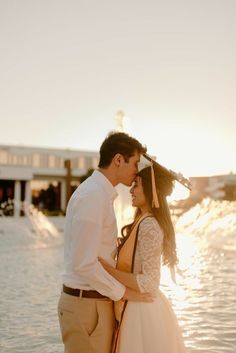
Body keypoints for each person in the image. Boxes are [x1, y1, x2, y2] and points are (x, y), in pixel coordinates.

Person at [57, 131, 154, 353]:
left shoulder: (99, 194)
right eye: (135, 163)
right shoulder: (92, 197)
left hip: (93, 304)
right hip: (86, 307)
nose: (136, 170)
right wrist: (125, 293)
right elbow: (84, 264)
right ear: (118, 159)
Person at [99, 162, 187, 353]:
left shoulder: (149, 225)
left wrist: (108, 271)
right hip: (135, 304)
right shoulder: (141, 221)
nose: (131, 190)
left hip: (142, 311)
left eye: (136, 185)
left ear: (151, 189)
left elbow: (149, 282)